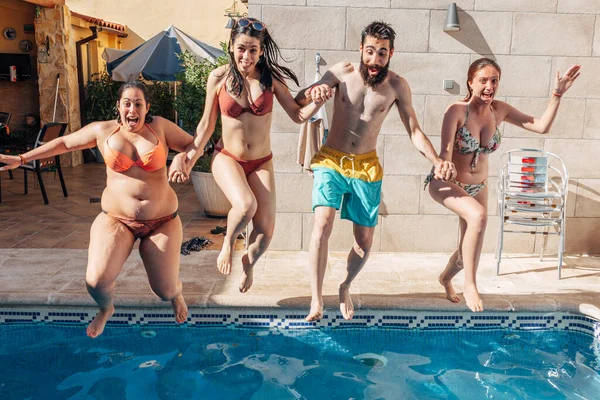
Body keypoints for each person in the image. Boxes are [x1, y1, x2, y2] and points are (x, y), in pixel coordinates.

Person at [0, 81, 195, 338]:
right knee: (96, 282)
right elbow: (64, 143)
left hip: (163, 221)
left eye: (138, 103)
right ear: (119, 106)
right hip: (117, 219)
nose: (132, 109)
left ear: (147, 108)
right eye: (127, 103)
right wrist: (23, 158)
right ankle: (106, 309)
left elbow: (193, 144)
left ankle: (176, 294)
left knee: (165, 290)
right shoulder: (103, 131)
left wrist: (182, 158)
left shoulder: (160, 127)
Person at [294, 21, 455, 322]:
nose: (374, 60)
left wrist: (435, 160)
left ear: (391, 53)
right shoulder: (341, 73)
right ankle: (316, 301)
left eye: (382, 53)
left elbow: (415, 131)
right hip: (331, 159)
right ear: (361, 49)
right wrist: (313, 93)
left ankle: (344, 286)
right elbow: (298, 100)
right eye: (370, 51)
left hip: (366, 166)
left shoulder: (397, 86)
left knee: (364, 242)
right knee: (322, 225)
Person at [168, 18, 330, 293]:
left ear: (261, 51)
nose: (247, 56)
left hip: (261, 162)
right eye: (242, 48)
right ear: (231, 46)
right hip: (227, 157)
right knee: (245, 205)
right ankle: (228, 243)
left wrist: (317, 102)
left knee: (265, 233)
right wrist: (188, 158)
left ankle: (249, 264)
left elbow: (296, 114)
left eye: (253, 50)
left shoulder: (270, 79)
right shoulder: (218, 78)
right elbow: (206, 126)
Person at [426, 58, 580, 312]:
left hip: (479, 186)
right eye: (483, 80)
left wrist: (557, 95)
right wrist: (444, 163)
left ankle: (445, 278)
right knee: (479, 216)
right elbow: (445, 151)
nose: (489, 86)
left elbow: (541, 126)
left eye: (494, 80)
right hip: (448, 182)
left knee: (466, 254)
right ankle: (470, 285)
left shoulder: (499, 110)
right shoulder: (456, 110)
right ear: (470, 82)